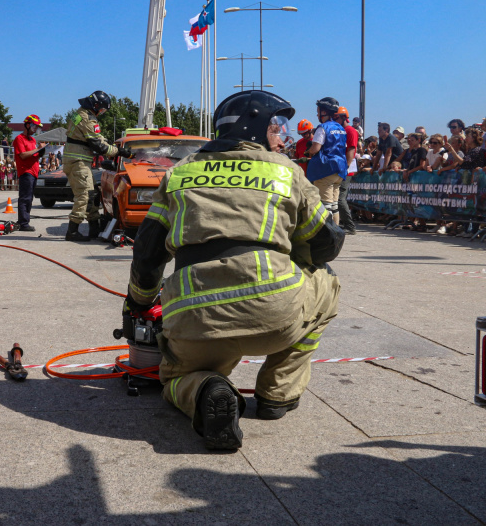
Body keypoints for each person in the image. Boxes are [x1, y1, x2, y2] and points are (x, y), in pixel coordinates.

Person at [126, 90, 344, 450]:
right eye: (277, 127)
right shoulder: (286, 171)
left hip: (193, 320)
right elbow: (325, 246)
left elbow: (148, 252)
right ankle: (278, 394)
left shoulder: (180, 172)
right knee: (327, 283)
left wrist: (138, 303)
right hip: (272, 316)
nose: (282, 136)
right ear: (255, 127)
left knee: (175, 382)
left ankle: (206, 389)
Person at [62, 90, 132, 241]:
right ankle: (72, 231)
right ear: (95, 105)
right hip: (77, 162)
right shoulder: (87, 119)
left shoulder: (81, 113)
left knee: (92, 193)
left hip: (77, 161)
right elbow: (99, 146)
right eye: (102, 109)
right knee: (84, 195)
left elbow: (95, 138)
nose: (102, 112)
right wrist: (119, 151)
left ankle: (94, 227)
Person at [305, 97, 348, 225]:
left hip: (326, 169)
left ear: (324, 112)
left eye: (318, 111)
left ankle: (328, 234)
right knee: (334, 205)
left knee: (325, 205)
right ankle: (336, 230)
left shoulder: (322, 128)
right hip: (340, 169)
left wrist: (308, 152)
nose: (317, 114)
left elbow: (315, 148)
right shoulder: (340, 128)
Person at [12, 114, 46, 231]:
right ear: (27, 125)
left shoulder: (33, 140)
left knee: (29, 198)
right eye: (34, 126)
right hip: (26, 172)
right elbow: (23, 155)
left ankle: (24, 220)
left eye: (37, 127)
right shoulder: (19, 139)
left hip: (34, 172)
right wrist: (37, 149)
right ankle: (23, 223)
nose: (35, 129)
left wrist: (41, 151)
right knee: (25, 198)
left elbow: (34, 154)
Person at [333, 107, 359, 235]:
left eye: (336, 117)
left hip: (346, 170)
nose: (334, 120)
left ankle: (350, 226)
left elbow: (351, 150)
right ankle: (342, 223)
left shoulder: (351, 131)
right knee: (335, 197)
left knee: (340, 198)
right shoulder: (339, 130)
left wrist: (346, 167)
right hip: (339, 168)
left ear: (344, 117)